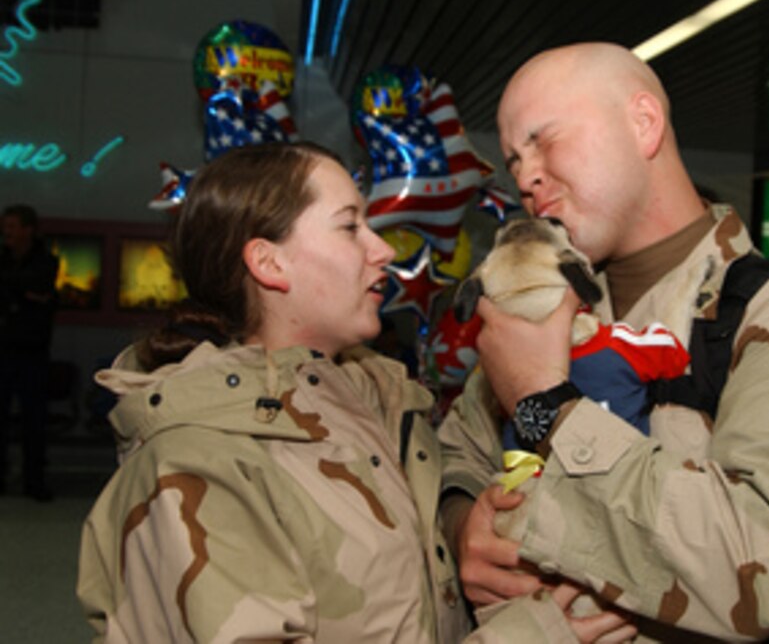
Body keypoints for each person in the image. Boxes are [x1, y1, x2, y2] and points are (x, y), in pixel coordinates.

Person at [77, 142, 634, 643]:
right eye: (350, 227)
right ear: (269, 263)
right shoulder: (199, 462)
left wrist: (461, 527)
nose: (383, 250)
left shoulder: (383, 409)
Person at [438, 43, 769, 641]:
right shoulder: (549, 301)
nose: (525, 175)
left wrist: (545, 404)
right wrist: (464, 523)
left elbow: (765, 572)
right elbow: (454, 453)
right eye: (515, 159)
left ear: (643, 124)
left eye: (544, 141)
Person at [0, 203, 59, 502]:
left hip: (33, 353)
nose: (6, 232)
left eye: (11, 226)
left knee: (33, 421)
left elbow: (40, 287)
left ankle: (34, 479)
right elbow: (31, 291)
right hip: (3, 351)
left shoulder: (47, 262)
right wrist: (26, 295)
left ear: (27, 229)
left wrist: (19, 291)